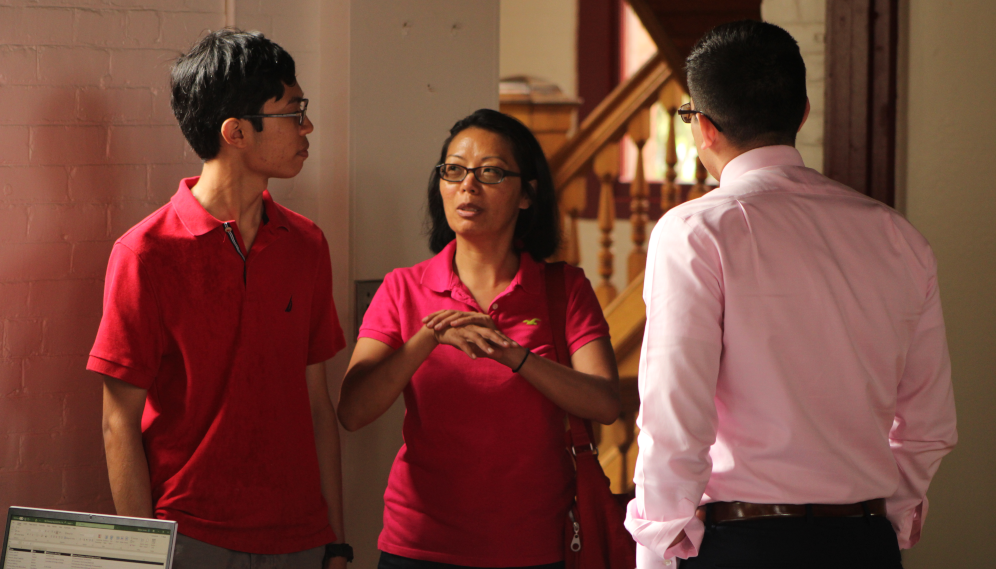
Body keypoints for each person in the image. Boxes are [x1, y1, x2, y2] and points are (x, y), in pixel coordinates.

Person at [624, 20, 957, 569]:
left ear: (703, 126)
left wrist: (657, 548)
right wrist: (884, 518)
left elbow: (674, 418)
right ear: (802, 113)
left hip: (744, 542)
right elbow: (928, 426)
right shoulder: (898, 236)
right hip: (863, 541)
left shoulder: (695, 232)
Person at [90, 29, 352, 569]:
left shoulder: (307, 244)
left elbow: (316, 405)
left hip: (301, 538)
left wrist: (338, 539)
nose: (307, 127)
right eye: (292, 111)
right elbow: (119, 421)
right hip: (190, 538)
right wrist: (143, 556)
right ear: (236, 131)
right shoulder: (145, 253)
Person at [337, 108, 620, 569]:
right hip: (418, 546)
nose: (468, 186)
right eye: (454, 170)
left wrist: (516, 357)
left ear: (527, 194)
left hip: (534, 549)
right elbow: (352, 410)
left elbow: (606, 403)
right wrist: (429, 338)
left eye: (490, 172)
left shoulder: (564, 288)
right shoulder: (403, 287)